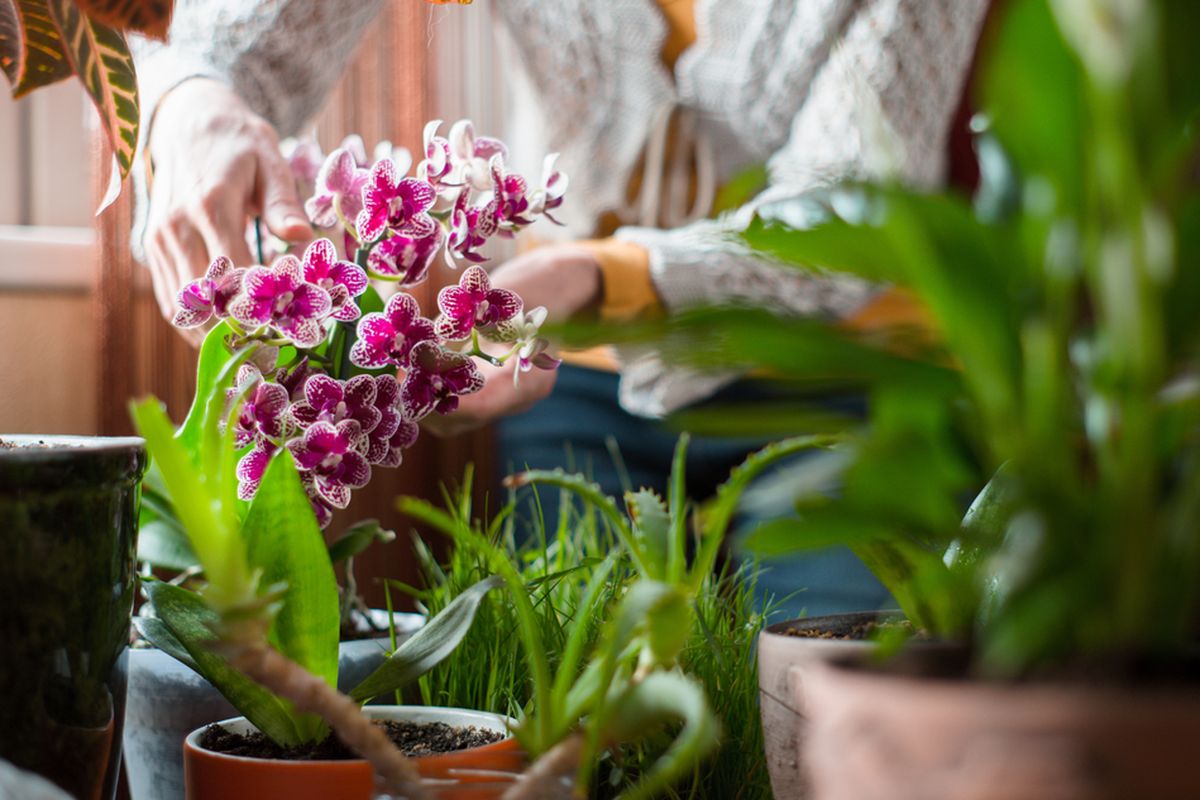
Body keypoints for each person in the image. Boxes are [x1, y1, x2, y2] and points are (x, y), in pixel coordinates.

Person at [131, 0, 989, 617]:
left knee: (826, 703)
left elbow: (848, 216)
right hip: (572, 385)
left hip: (846, 377)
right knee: (567, 695)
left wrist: (591, 278)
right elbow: (241, 41)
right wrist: (192, 96)